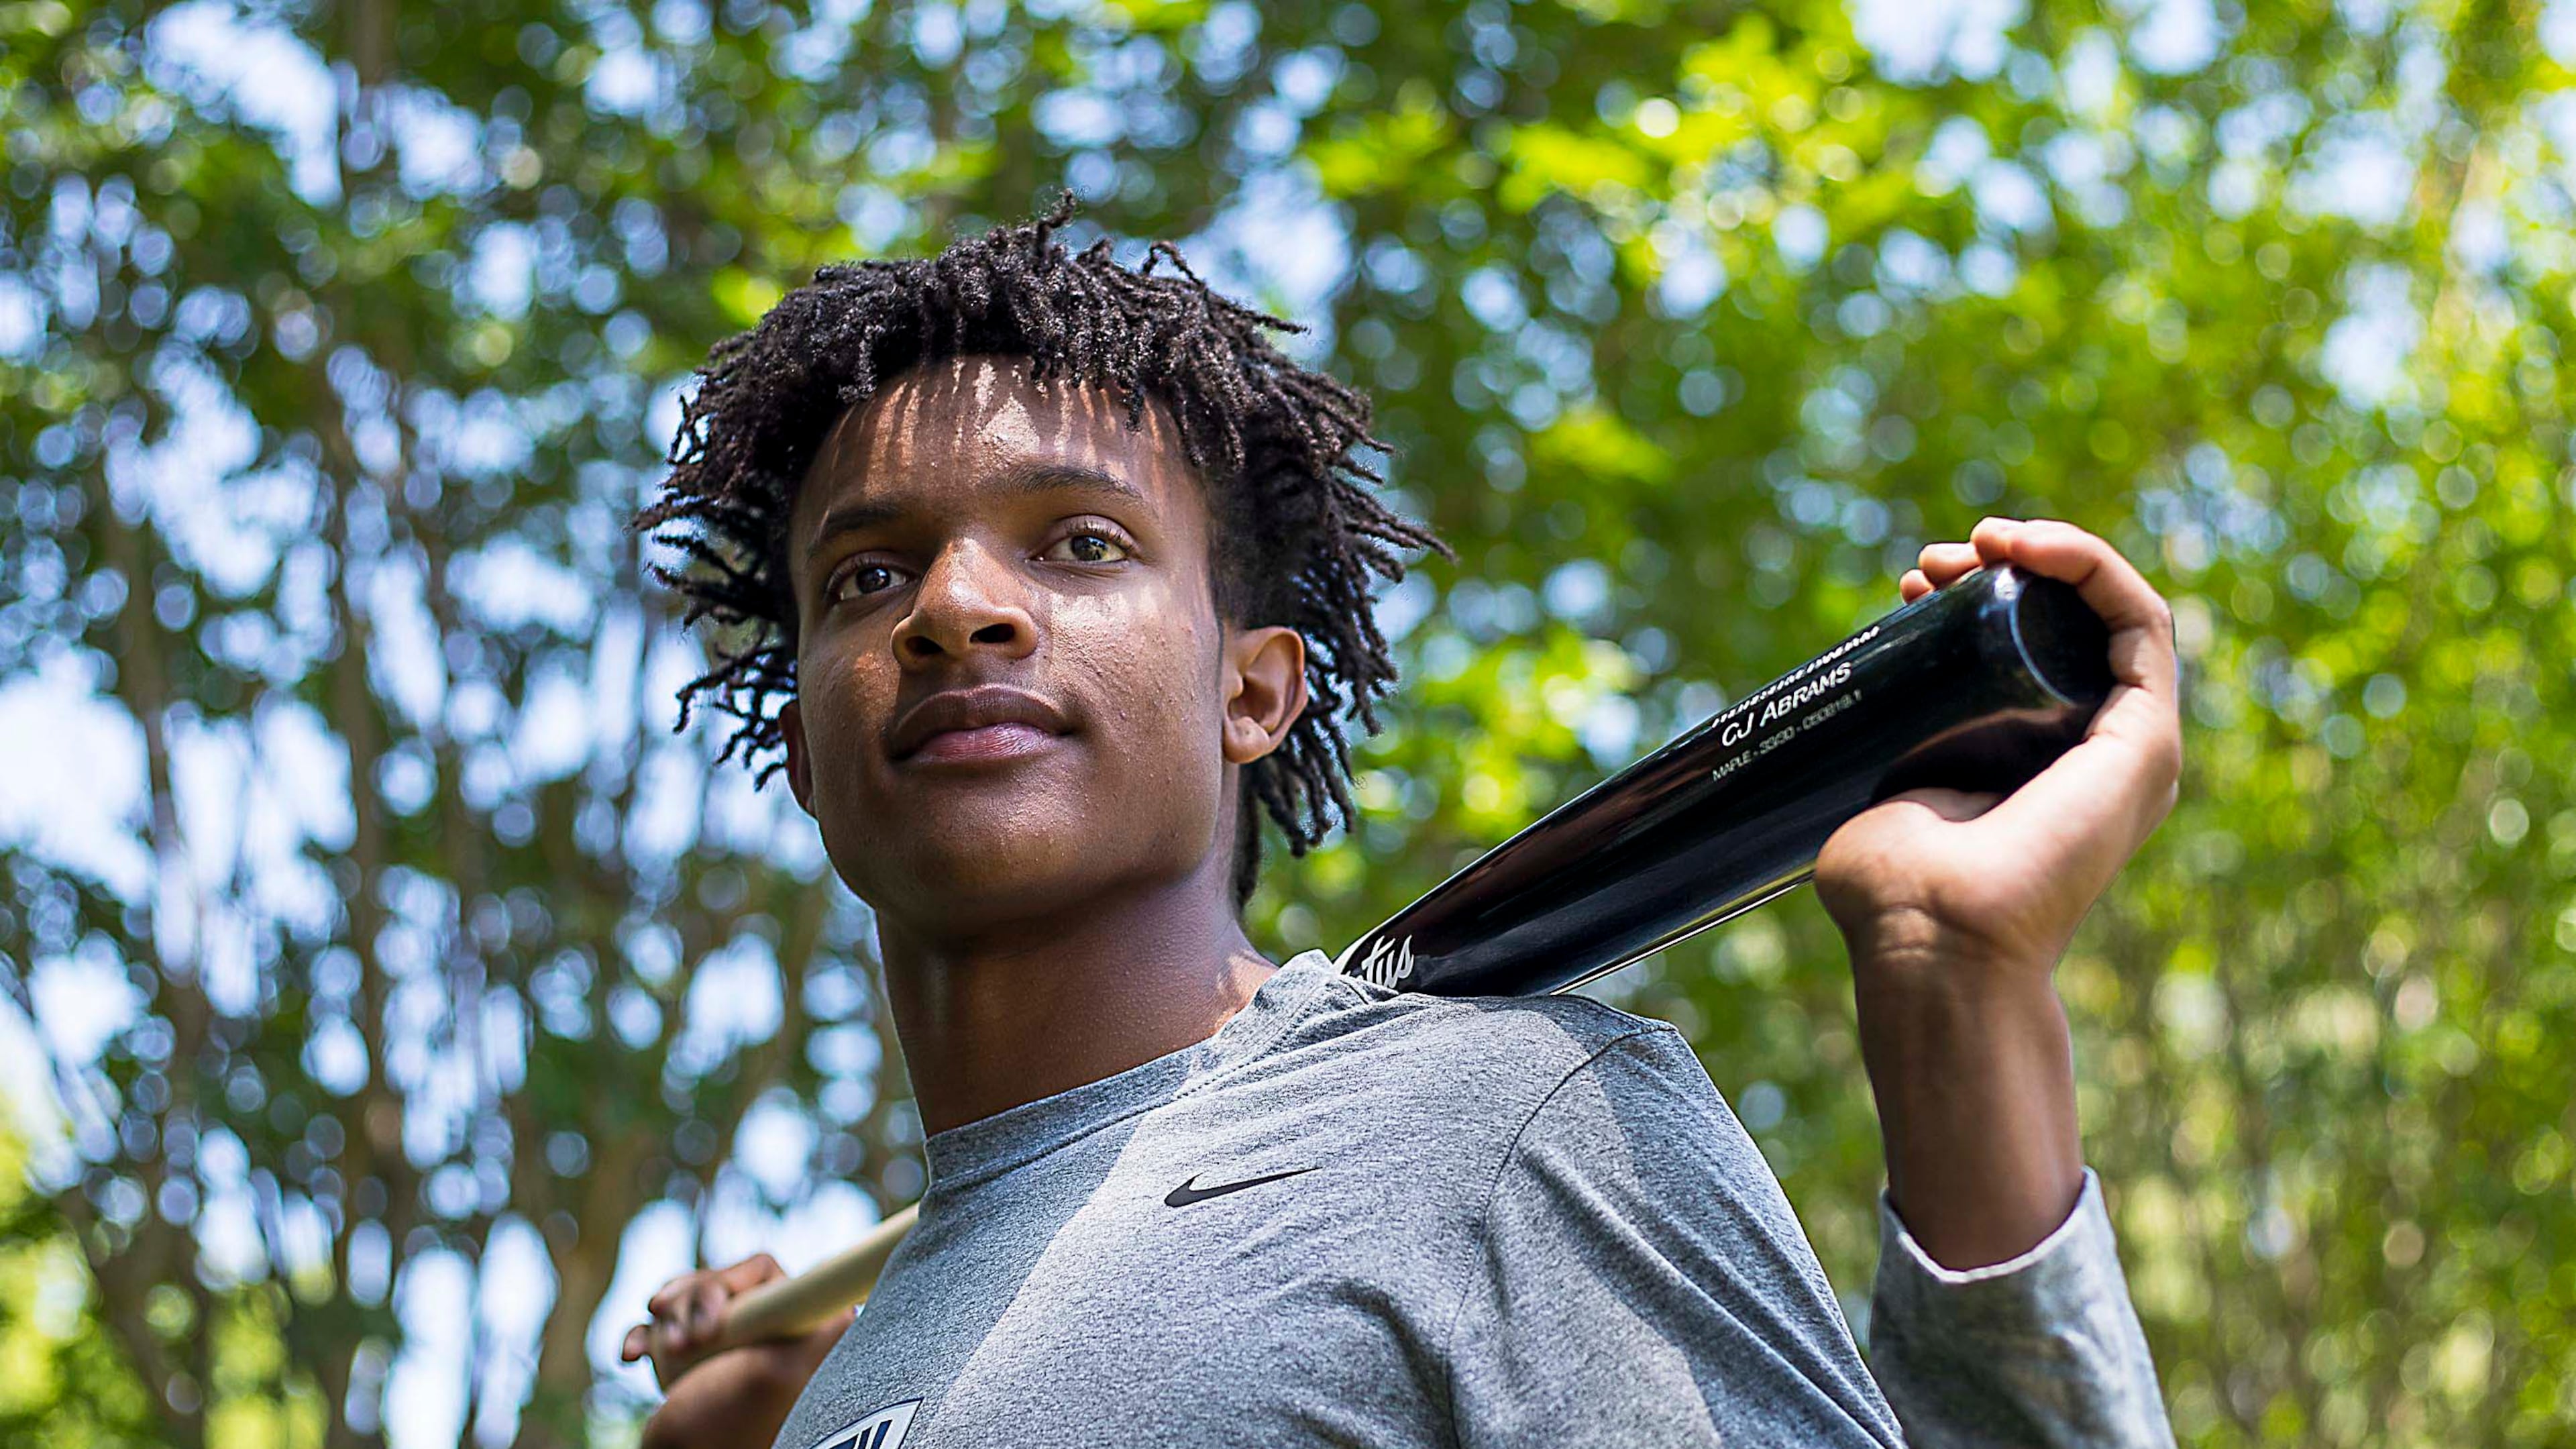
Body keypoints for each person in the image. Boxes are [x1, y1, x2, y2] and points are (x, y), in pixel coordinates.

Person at [621, 201, 2182, 1449]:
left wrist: (1950, 987)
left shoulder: (1492, 1129)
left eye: (1081, 543)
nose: (958, 608)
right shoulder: (842, 1371)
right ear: (808, 755)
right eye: (867, 577)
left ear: (1256, 694)